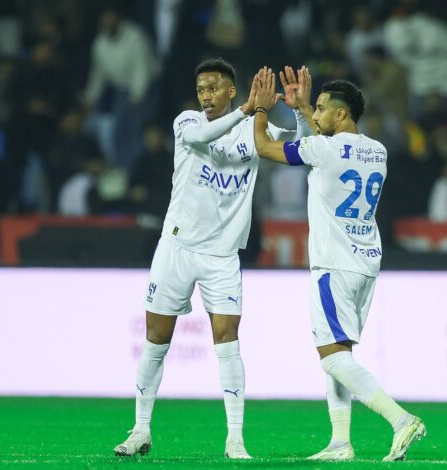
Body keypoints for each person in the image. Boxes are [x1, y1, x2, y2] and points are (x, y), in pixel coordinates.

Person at [113, 59, 311, 459]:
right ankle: (140, 429)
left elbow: (301, 151)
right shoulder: (187, 122)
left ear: (230, 90)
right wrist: (249, 109)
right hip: (177, 247)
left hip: (222, 255)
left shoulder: (255, 128)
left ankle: (235, 439)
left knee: (227, 341)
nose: (205, 96)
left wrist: (298, 111)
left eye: (213, 88)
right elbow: (204, 137)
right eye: (201, 88)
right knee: (156, 340)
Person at [251, 69, 426, 461]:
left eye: (323, 109)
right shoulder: (377, 150)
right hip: (365, 262)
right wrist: (301, 112)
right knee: (340, 354)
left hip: (334, 263)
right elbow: (318, 144)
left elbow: (264, 147)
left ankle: (400, 420)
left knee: (331, 355)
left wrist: (262, 109)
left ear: (342, 115)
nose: (316, 114)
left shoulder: (323, 149)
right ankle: (340, 443)